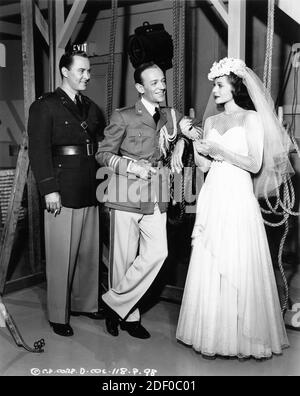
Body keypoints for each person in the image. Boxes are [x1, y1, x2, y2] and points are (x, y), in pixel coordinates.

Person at [176, 57, 294, 359]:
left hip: (238, 191)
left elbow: (254, 163)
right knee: (212, 256)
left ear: (234, 87)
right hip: (214, 190)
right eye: (214, 85)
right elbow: (203, 166)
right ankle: (214, 333)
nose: (214, 90)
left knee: (237, 256)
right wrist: (193, 142)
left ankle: (245, 337)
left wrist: (221, 151)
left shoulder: (252, 119)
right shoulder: (212, 122)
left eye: (219, 85)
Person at [95, 62, 196, 339]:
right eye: (154, 83)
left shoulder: (171, 115)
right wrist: (132, 168)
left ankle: (112, 305)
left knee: (158, 253)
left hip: (157, 195)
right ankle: (129, 317)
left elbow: (187, 129)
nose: (161, 86)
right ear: (140, 88)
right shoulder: (123, 116)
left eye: (162, 81)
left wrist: (181, 143)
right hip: (125, 194)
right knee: (123, 260)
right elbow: (102, 154)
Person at [28, 50, 105, 337]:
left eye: (88, 70)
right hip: (61, 188)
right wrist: (49, 189)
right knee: (61, 255)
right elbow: (38, 151)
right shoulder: (45, 106)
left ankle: (85, 303)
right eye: (81, 71)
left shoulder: (92, 108)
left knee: (88, 252)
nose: (87, 76)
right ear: (64, 71)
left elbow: (101, 146)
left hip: (88, 186)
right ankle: (58, 314)